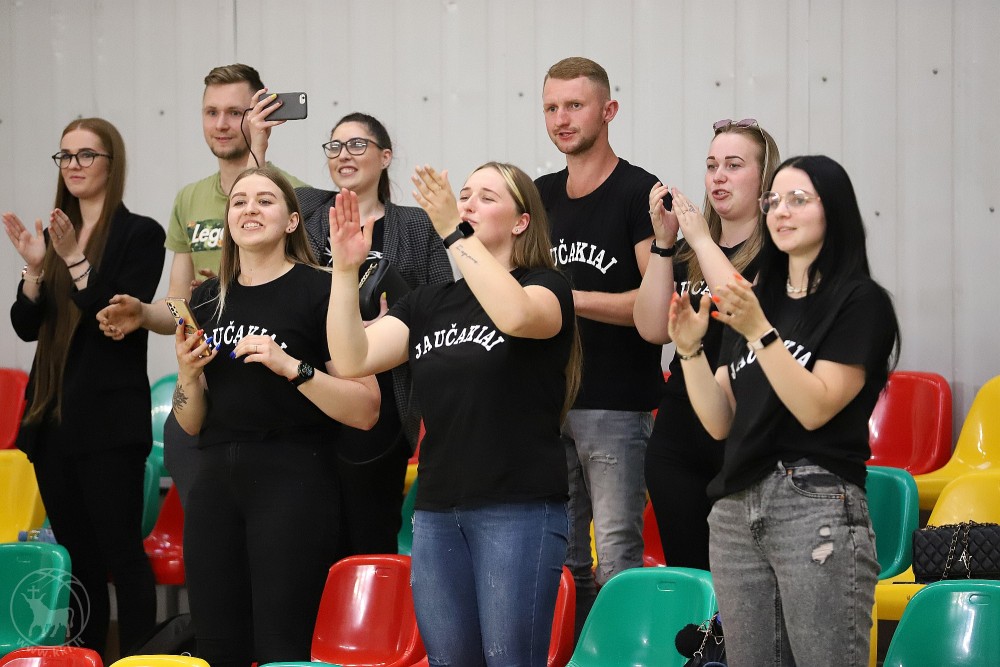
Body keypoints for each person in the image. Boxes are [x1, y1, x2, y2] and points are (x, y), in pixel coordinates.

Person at [325, 163, 580, 667]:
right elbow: (352, 359)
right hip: (438, 510)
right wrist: (344, 272)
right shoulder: (429, 303)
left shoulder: (547, 286)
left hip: (517, 506)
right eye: (464, 195)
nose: (468, 204)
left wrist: (450, 229)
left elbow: (515, 316)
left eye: (487, 197)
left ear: (521, 221)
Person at [668, 155, 899, 666]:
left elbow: (815, 407)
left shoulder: (860, 302)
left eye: (799, 200)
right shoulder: (759, 300)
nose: (781, 212)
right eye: (774, 201)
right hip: (734, 507)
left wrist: (759, 331)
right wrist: (688, 351)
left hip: (814, 501)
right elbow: (720, 421)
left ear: (833, 211)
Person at [171, 165, 379, 667]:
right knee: (217, 646)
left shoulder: (322, 290)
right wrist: (187, 376)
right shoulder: (205, 298)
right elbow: (191, 422)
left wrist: (293, 368)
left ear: (291, 221)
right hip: (215, 484)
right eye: (239, 201)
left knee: (282, 645)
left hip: (294, 479)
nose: (249, 209)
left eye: (264, 200)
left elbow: (366, 408)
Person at [243, 102, 452, 555]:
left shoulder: (415, 225)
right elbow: (255, 197)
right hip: (306, 391)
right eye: (335, 146)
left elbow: (442, 307)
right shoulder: (308, 207)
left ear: (385, 156)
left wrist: (391, 330)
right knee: (310, 530)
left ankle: (369, 601)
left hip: (384, 395)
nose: (344, 154)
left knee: (369, 528)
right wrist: (258, 142)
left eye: (358, 144)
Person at [96, 63, 306, 508]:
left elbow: (304, 289)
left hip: (271, 401)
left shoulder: (295, 194)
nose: (222, 124)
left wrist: (241, 285)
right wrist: (144, 313)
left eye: (235, 112)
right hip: (204, 391)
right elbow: (180, 306)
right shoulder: (189, 198)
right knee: (208, 528)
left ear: (260, 113)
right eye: (212, 112)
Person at [4, 117, 162, 658]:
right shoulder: (57, 234)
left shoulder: (141, 234)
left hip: (110, 424)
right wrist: (34, 269)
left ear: (111, 165)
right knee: (77, 558)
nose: (73, 165)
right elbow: (26, 326)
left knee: (121, 554)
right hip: (54, 421)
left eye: (86, 155)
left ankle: (138, 659)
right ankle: (85, 656)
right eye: (65, 155)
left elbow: (112, 318)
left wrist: (72, 257)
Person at [535, 56, 661, 633]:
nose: (561, 119)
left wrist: (569, 298)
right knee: (562, 560)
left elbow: (654, 306)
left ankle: (620, 652)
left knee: (616, 559)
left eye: (574, 105)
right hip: (548, 402)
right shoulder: (539, 195)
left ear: (608, 110)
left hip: (617, 406)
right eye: (551, 108)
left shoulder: (640, 193)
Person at [633, 118, 780, 569]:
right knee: (691, 574)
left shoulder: (778, 251)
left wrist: (699, 238)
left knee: (743, 578)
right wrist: (664, 244)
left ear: (764, 180)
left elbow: (742, 305)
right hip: (679, 433)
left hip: (744, 430)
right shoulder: (689, 252)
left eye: (734, 165)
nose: (718, 177)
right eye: (712, 165)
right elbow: (652, 328)